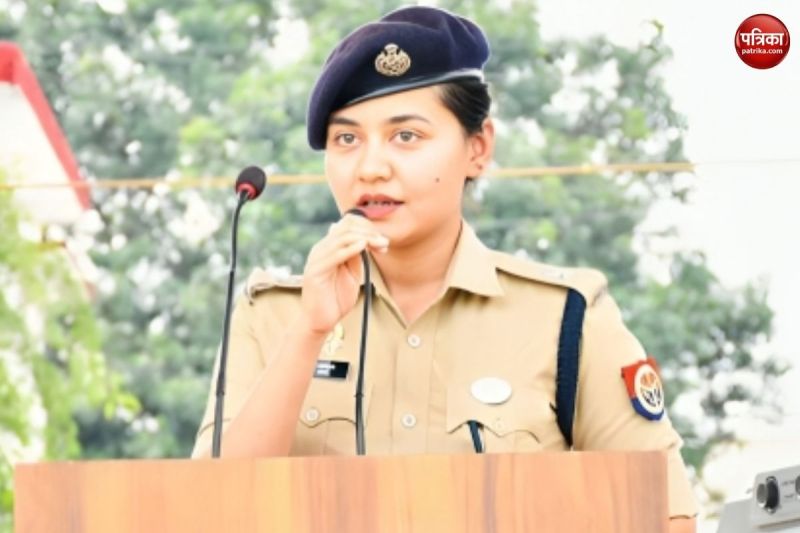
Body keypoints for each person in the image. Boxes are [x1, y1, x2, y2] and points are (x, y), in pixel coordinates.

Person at [192, 6, 698, 531]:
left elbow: (666, 514)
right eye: (347, 139)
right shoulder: (271, 318)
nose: (371, 168)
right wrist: (308, 333)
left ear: (478, 148)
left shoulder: (566, 319)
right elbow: (207, 512)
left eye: (406, 136)